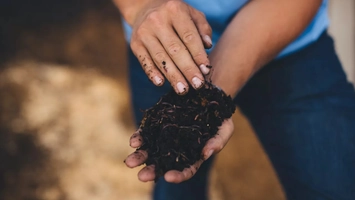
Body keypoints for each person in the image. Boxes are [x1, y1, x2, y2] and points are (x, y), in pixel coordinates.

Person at [114, 0, 355, 199]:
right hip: (162, 41)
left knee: (335, 187)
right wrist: (141, 6)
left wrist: (213, 91)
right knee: (172, 178)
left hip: (288, 36)